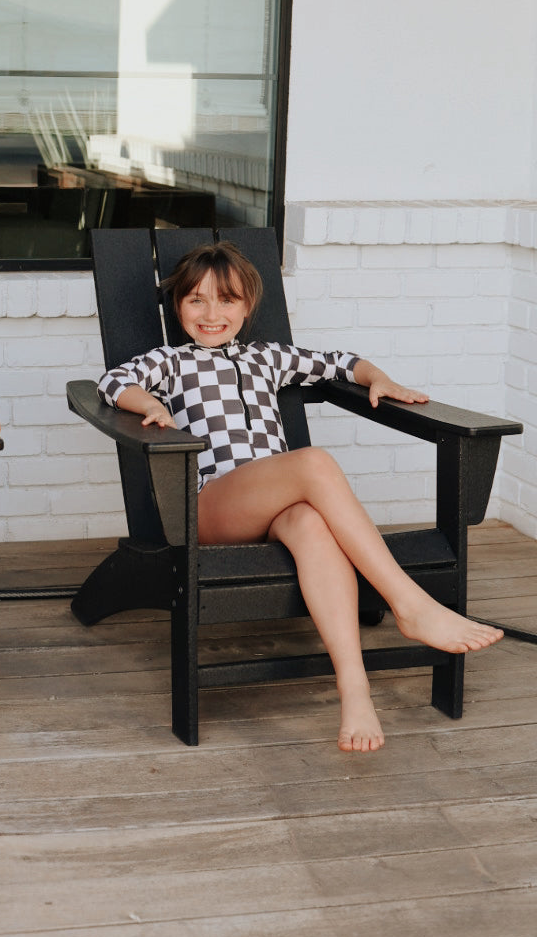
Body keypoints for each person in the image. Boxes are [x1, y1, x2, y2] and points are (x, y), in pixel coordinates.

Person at [97, 240, 502, 754]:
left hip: (277, 506)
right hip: (209, 505)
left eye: (226, 300)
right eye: (196, 300)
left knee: (311, 522)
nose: (211, 313)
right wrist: (150, 405)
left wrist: (379, 379)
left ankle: (354, 689)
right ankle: (410, 602)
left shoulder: (270, 358)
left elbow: (339, 363)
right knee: (313, 463)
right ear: (177, 307)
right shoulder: (171, 362)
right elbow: (114, 383)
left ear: (246, 307)